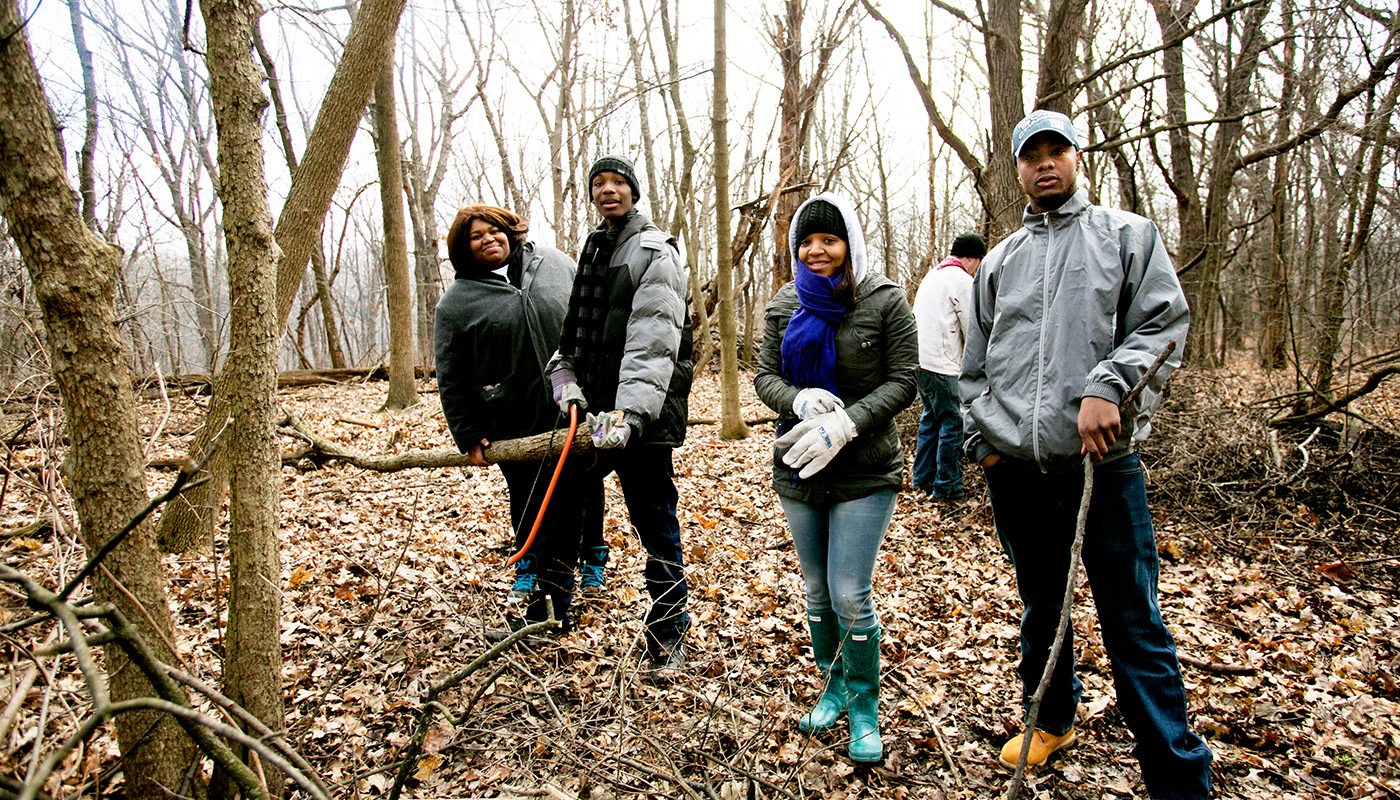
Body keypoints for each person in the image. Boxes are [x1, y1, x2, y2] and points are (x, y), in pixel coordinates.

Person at [961, 109, 1212, 797]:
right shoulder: (1002, 260)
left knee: (1133, 623)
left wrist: (1110, 387)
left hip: (1103, 471)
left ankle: (1178, 776)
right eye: (1030, 155)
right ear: (1016, 169)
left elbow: (1162, 324)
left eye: (1056, 151)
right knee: (1043, 607)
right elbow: (974, 365)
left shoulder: (1127, 236)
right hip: (1017, 472)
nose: (1045, 163)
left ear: (1077, 158)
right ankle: (1053, 720)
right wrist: (985, 442)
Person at [754, 193, 918, 764]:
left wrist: (849, 421)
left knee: (850, 592)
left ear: (849, 242)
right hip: (799, 465)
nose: (817, 250)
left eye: (829, 239)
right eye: (807, 241)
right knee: (817, 589)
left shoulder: (884, 298)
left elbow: (905, 380)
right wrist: (798, 401)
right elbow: (764, 377)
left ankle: (866, 708)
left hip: (865, 466)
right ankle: (834, 691)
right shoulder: (783, 302)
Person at [547, 154, 694, 673]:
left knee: (653, 518)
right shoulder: (594, 245)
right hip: (596, 413)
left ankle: (670, 629)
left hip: (643, 417)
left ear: (634, 191)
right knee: (564, 507)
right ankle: (548, 611)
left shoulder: (655, 250)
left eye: (618, 183)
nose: (608, 191)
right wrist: (564, 380)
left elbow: (654, 343)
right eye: (599, 184)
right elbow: (575, 333)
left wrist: (630, 416)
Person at [435, 205, 590, 636]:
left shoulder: (554, 264)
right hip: (512, 423)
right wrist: (467, 432)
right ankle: (544, 593)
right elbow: (451, 374)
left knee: (566, 507)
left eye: (494, 230)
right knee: (529, 508)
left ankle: (554, 602)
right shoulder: (457, 303)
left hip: (571, 411)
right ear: (464, 249)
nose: (488, 239)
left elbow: (589, 323)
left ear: (510, 230)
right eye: (476, 236)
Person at [910, 232, 985, 502]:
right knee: (954, 423)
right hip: (944, 365)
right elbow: (972, 329)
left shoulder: (934, 275)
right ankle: (948, 489)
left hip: (920, 362)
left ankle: (921, 480)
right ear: (973, 258)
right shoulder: (962, 280)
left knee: (931, 419)